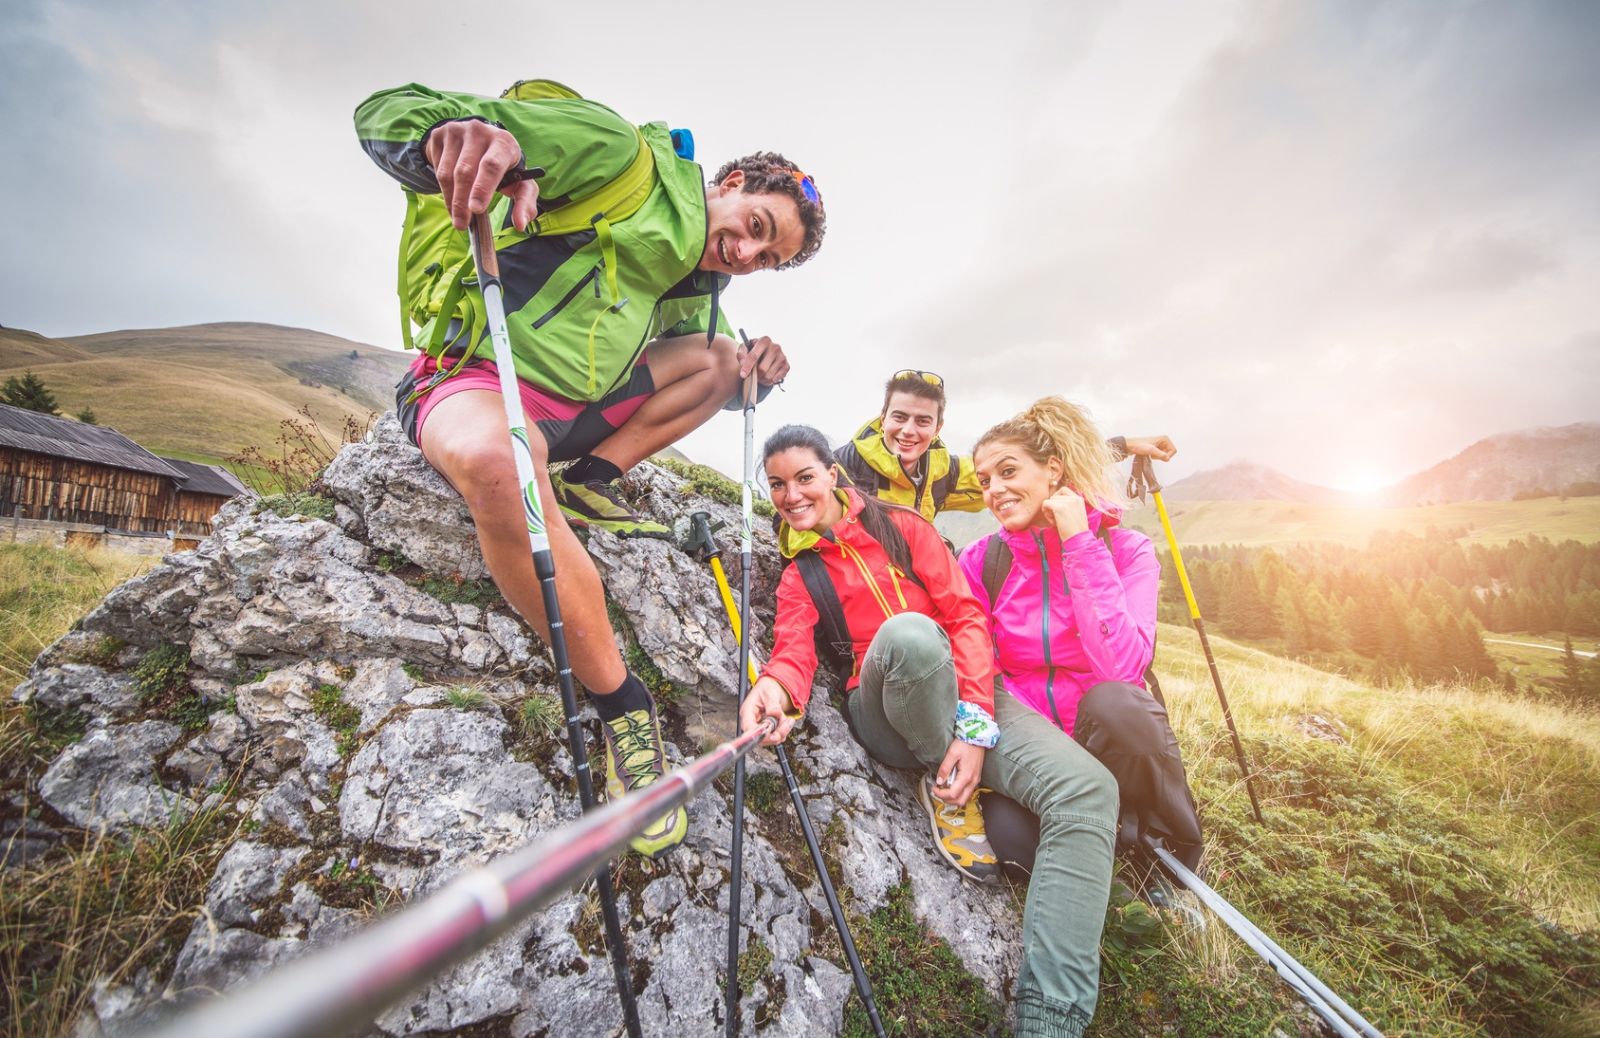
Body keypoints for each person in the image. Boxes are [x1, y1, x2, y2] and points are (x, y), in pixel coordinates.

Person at [355, 80, 826, 858]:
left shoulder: (698, 284)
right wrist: (455, 138)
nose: (745, 254)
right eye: (753, 227)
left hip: (569, 411)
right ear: (733, 184)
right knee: (495, 460)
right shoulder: (616, 154)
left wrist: (756, 374)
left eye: (766, 258)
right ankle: (620, 702)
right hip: (476, 377)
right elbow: (389, 108)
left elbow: (708, 376)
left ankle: (587, 483)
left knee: (716, 356)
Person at [740, 425, 1118, 1037]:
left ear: (833, 475)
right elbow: (792, 654)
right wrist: (774, 690)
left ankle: (1051, 1020)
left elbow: (966, 615)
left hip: (968, 695)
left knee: (1087, 792)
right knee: (910, 636)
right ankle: (945, 783)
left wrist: (975, 722)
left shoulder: (902, 529)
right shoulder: (798, 574)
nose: (791, 494)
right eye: (777, 485)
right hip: (883, 714)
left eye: (804, 477)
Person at [960, 397, 1203, 873]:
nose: (995, 490)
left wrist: (1078, 545)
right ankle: (1101, 836)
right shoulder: (982, 561)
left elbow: (1123, 669)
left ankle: (1168, 853)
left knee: (1117, 704)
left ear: (1053, 471)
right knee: (1014, 847)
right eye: (984, 481)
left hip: (1105, 735)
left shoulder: (1126, 550)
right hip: (1034, 744)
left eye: (1008, 472)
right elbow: (976, 668)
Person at [834, 369, 1178, 522]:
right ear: (883, 417)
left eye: (923, 421)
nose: (909, 431)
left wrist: (1129, 445)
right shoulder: (842, 467)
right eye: (899, 417)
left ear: (938, 427)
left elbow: (1035, 467)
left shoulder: (942, 472)